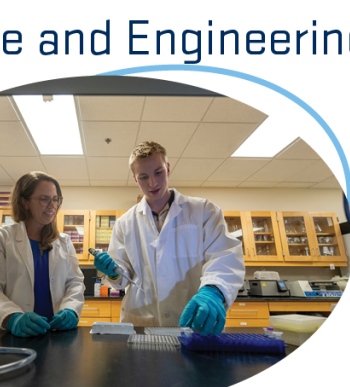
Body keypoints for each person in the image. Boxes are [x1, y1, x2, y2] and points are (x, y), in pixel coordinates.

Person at [94, 141, 245, 335]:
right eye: (143, 177)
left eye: (158, 172)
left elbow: (224, 255)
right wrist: (114, 272)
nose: (152, 183)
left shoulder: (204, 211)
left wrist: (214, 290)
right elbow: (123, 276)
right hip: (141, 322)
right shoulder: (124, 223)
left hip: (192, 321)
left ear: (167, 168)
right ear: (134, 179)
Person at [0, 171, 85, 337]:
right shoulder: (1, 238)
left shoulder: (64, 242)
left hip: (54, 332)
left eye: (56, 199)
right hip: (11, 335)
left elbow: (75, 282)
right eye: (44, 199)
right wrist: (12, 317)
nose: (52, 205)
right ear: (24, 202)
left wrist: (71, 310)